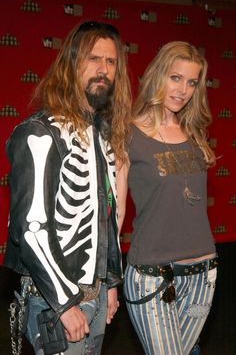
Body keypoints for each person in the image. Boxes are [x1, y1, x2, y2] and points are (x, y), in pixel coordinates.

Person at [4, 20, 132, 355]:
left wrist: (111, 283)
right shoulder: (39, 134)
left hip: (96, 297)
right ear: (71, 64)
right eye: (93, 58)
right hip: (55, 305)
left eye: (111, 61)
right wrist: (64, 303)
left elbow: (106, 218)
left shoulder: (101, 136)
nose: (103, 69)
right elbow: (30, 229)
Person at [117, 41, 218, 355]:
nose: (183, 90)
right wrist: (105, 279)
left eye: (191, 82)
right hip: (151, 275)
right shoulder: (127, 135)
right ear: (157, 76)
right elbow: (116, 212)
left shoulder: (194, 134)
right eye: (175, 78)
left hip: (204, 275)